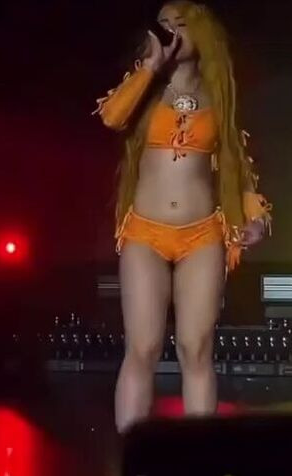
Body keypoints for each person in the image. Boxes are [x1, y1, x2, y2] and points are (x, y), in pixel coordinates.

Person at [94, 2, 272, 433]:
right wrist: (150, 68)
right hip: (145, 233)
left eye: (181, 24)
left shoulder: (219, 97)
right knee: (143, 348)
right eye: (163, 25)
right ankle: (132, 453)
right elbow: (111, 117)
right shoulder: (145, 88)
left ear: (202, 33)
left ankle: (200, 457)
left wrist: (255, 218)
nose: (171, 31)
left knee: (196, 349)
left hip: (202, 235)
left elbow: (238, 164)